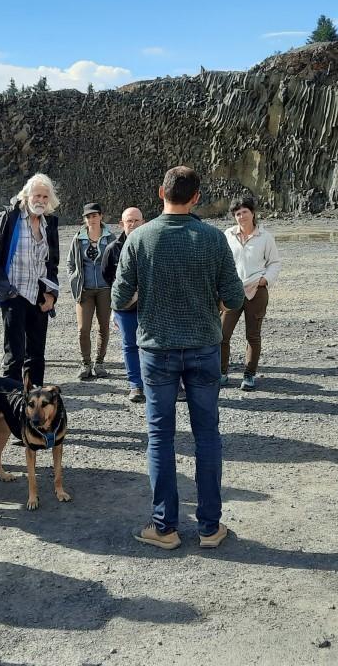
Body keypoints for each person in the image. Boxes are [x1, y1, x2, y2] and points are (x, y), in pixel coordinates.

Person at [113, 166, 244, 551]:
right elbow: (235, 298)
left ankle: (165, 527)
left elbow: (119, 298)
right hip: (204, 348)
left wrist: (149, 298)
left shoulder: (139, 239)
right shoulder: (213, 239)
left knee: (160, 438)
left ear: (160, 193)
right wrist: (210, 301)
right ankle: (209, 528)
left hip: (156, 351)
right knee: (207, 438)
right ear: (197, 197)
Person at [0, 173, 60, 391]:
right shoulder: (9, 218)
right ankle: (12, 404)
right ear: (26, 196)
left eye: (45, 197)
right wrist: (7, 292)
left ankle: (34, 403)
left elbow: (52, 264)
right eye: (37, 195)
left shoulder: (49, 223)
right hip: (14, 295)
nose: (41, 201)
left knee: (37, 355)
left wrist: (52, 294)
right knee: (14, 356)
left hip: (38, 297)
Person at [220, 195, 282, 391]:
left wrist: (266, 280)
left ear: (252, 213)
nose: (241, 216)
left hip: (257, 290)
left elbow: (274, 262)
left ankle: (249, 374)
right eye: (237, 214)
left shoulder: (265, 237)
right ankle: (221, 373)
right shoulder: (228, 235)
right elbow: (220, 261)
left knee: (253, 335)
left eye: (244, 212)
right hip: (232, 291)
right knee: (222, 334)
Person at [101, 206, 145, 402]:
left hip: (149, 307)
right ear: (122, 224)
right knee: (130, 346)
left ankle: (163, 384)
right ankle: (135, 385)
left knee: (157, 346)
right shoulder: (112, 250)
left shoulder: (152, 244)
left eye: (136, 220)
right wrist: (117, 304)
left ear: (143, 222)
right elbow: (107, 277)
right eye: (129, 221)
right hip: (125, 309)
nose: (133, 224)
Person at [67, 202, 115, 380]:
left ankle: (99, 363)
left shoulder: (110, 238)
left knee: (104, 327)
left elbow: (117, 261)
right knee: (83, 329)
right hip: (84, 290)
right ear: (84, 219)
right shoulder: (78, 238)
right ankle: (85, 363)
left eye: (94, 215)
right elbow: (70, 263)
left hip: (105, 289)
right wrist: (74, 281)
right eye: (88, 216)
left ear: (101, 216)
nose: (91, 219)